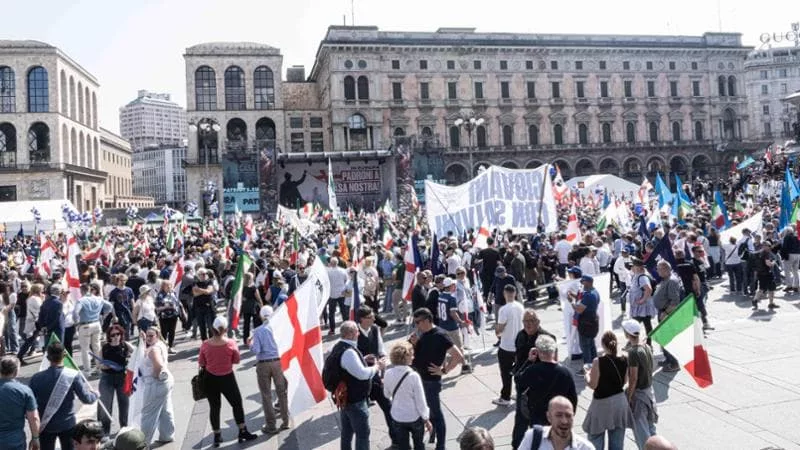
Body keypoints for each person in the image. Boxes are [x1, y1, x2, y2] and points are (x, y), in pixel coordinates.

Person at [409, 308, 464, 450]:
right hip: (419, 379)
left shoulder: (441, 335)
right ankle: (432, 437)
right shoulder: (423, 334)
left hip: (431, 382)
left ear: (427, 320)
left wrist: (444, 370)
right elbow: (421, 354)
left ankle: (441, 445)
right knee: (427, 412)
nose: (416, 325)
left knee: (436, 414)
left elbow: (458, 356)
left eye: (418, 322)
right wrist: (415, 344)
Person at [198, 316, 258, 446]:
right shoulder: (231, 343)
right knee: (236, 404)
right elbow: (236, 360)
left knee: (214, 407)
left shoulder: (205, 344)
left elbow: (201, 362)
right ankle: (242, 430)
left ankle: (217, 435)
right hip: (227, 378)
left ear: (212, 328)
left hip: (210, 378)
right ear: (225, 329)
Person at [29, 342, 99, 450]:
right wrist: (95, 394)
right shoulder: (73, 375)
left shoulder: (36, 378)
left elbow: (29, 404)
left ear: (48, 357)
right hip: (67, 424)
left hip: (46, 425)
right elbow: (87, 399)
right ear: (65, 355)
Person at [331, 320, 384, 450]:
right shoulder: (349, 352)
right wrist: (377, 367)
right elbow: (362, 374)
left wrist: (362, 359)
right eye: (356, 331)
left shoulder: (339, 346)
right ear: (350, 334)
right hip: (355, 401)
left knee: (347, 433)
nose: (359, 333)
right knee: (363, 435)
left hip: (346, 398)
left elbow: (347, 366)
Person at [510, 310, 555, 449]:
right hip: (523, 387)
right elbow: (518, 358)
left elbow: (553, 363)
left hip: (539, 391)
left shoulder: (546, 338)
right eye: (525, 321)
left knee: (539, 429)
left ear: (538, 322)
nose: (528, 325)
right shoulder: (520, 335)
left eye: (531, 321)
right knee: (520, 427)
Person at [582, 331, 632, 450]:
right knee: (617, 444)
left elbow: (593, 384)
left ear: (603, 345)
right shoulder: (625, 358)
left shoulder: (598, 361)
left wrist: (586, 375)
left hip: (601, 405)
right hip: (619, 403)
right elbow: (625, 381)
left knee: (595, 440)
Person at [355, 305, 396, 445]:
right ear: (362, 319)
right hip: (359, 381)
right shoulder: (353, 332)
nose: (374, 319)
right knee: (361, 416)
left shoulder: (375, 329)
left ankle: (396, 440)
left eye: (373, 316)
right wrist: (364, 358)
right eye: (370, 317)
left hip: (375, 376)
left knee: (388, 407)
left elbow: (380, 348)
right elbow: (349, 354)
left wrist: (383, 358)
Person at [516, 335, 577, 429]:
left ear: (538, 352)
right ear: (554, 351)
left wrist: (529, 361)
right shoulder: (565, 372)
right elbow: (573, 397)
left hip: (538, 417)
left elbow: (518, 381)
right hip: (559, 417)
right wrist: (570, 416)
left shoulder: (532, 370)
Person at [249, 305, 289, 434]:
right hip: (278, 362)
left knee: (266, 395)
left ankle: (271, 425)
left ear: (261, 316)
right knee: (281, 392)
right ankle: (285, 421)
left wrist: (250, 342)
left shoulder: (258, 331)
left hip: (263, 364)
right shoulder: (279, 328)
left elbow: (256, 350)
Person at [383, 341, 431, 450]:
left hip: (397, 416)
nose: (413, 357)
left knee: (403, 446)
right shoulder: (414, 376)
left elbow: (386, 394)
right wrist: (426, 419)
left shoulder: (388, 373)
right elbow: (420, 401)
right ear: (406, 356)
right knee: (419, 445)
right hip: (414, 417)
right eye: (412, 355)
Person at [622, 320, 658, 449]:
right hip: (649, 392)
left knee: (642, 433)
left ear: (627, 334)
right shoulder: (646, 347)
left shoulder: (633, 352)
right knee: (651, 429)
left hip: (639, 396)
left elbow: (633, 378)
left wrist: (630, 396)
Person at [138, 326, 175, 445]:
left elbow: (158, 366)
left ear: (157, 336)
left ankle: (143, 444)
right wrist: (143, 341)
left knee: (148, 415)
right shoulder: (161, 345)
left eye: (151, 336)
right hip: (166, 381)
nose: (148, 338)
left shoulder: (154, 350)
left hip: (156, 383)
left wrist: (154, 376)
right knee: (165, 409)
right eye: (147, 335)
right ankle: (167, 435)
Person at [518, 396, 594, 450]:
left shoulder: (585, 447)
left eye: (568, 415)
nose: (564, 421)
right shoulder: (532, 437)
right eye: (559, 415)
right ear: (549, 417)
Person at [97, 324, 134, 435]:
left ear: (121, 334)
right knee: (105, 405)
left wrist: (130, 363)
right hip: (107, 378)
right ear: (109, 336)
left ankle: (124, 428)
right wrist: (105, 366)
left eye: (118, 334)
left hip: (122, 377)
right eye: (112, 335)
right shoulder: (105, 347)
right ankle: (104, 432)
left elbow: (138, 353)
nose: (115, 337)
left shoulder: (126, 345)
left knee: (124, 404)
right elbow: (98, 364)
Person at [493, 284, 524, 407]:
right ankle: (520, 393)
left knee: (506, 373)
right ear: (515, 293)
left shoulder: (504, 310)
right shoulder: (520, 307)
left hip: (506, 346)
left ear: (505, 294)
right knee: (519, 371)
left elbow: (500, 329)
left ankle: (505, 397)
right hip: (519, 345)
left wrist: (496, 331)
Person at [0, 355, 40, 450]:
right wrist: (35, 438)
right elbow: (34, 418)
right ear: (16, 371)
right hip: (15, 441)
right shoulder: (24, 391)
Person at [74, 282, 111, 375]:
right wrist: (104, 314)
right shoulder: (98, 299)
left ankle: (87, 370)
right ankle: (99, 368)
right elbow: (109, 306)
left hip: (85, 325)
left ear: (82, 291)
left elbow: (75, 313)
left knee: (85, 349)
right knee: (97, 347)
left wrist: (76, 322)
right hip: (96, 323)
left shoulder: (81, 300)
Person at [651, 261, 682, 372]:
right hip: (662, 312)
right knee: (663, 338)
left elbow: (675, 302)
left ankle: (674, 363)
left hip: (667, 314)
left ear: (666, 269)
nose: (657, 271)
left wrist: (666, 313)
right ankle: (667, 359)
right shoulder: (665, 279)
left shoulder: (672, 281)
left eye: (659, 269)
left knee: (668, 339)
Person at [437, 278, 471, 374]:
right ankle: (464, 366)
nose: (454, 286)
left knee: (443, 348)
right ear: (451, 286)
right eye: (453, 285)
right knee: (459, 347)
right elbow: (453, 313)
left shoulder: (440, 296)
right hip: (451, 327)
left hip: (442, 325)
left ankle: (443, 366)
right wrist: (461, 321)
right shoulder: (452, 298)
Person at [572, 275, 599, 374]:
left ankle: (587, 368)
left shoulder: (588, 295)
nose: (582, 284)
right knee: (591, 345)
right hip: (592, 322)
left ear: (588, 282)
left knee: (585, 346)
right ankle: (596, 365)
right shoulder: (594, 292)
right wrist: (575, 296)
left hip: (586, 324)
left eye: (583, 282)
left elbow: (579, 309)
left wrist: (571, 302)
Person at [628, 258, 656, 345]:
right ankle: (648, 343)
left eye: (633, 266)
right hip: (639, 307)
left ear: (638, 267)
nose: (631, 267)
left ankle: (632, 343)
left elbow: (648, 289)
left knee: (633, 325)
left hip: (642, 307)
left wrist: (642, 300)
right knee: (646, 325)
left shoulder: (642, 277)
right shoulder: (636, 276)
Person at [155, 280, 181, 353]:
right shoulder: (160, 295)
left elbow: (177, 303)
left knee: (172, 332)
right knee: (164, 332)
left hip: (174, 315)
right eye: (167, 285)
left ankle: (170, 347)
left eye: (170, 285)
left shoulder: (173, 293)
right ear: (163, 287)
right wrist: (165, 307)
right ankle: (163, 348)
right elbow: (157, 307)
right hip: (164, 317)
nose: (169, 287)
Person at [326, 257, 349, 335]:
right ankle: (347, 329)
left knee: (331, 313)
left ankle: (332, 329)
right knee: (344, 312)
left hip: (332, 294)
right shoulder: (343, 271)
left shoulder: (328, 272)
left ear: (331, 263)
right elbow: (346, 280)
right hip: (341, 293)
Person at [191, 269, 216, 341]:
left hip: (209, 306)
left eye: (205, 273)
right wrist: (204, 291)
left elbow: (209, 291)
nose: (204, 275)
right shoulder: (194, 283)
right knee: (202, 327)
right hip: (199, 307)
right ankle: (204, 342)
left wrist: (198, 289)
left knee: (210, 326)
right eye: (202, 274)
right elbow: (195, 294)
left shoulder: (209, 281)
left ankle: (212, 341)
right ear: (198, 275)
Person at [239, 272, 263, 343]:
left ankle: (245, 340)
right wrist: (262, 306)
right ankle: (256, 339)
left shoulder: (242, 287)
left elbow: (241, 297)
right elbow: (258, 298)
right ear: (251, 278)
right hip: (254, 307)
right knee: (256, 324)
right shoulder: (253, 288)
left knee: (246, 324)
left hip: (245, 307)